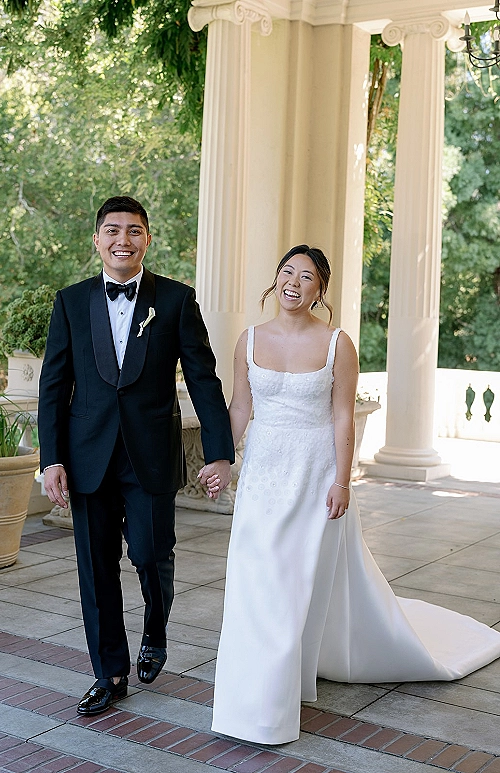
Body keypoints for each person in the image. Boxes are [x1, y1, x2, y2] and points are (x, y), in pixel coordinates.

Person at [210, 244, 500, 745]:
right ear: (274, 279)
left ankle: (267, 710)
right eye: (286, 272)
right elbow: (240, 406)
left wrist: (342, 482)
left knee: (290, 586)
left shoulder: (337, 343)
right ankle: (256, 693)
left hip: (313, 471)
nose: (293, 282)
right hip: (262, 474)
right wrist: (222, 457)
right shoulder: (249, 339)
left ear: (321, 290)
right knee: (253, 582)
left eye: (306, 276)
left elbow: (343, 416)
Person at [38, 195, 235, 716]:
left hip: (150, 453)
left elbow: (203, 377)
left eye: (133, 230)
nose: (122, 239)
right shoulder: (70, 302)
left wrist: (218, 452)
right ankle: (110, 673)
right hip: (87, 456)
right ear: (97, 239)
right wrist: (50, 458)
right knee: (95, 567)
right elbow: (54, 385)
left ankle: (155, 630)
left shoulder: (174, 300)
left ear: (148, 238)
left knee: (150, 555)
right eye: (112, 230)